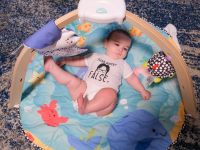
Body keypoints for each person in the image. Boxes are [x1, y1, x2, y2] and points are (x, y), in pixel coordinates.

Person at [43, 29, 151, 117]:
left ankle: (87, 107)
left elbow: (132, 79)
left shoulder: (123, 64)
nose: (120, 50)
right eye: (117, 44)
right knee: (73, 81)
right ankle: (52, 67)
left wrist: (142, 90)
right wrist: (65, 61)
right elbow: (80, 60)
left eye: (125, 48)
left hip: (101, 106)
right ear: (106, 43)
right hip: (82, 94)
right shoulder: (95, 57)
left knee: (111, 94)